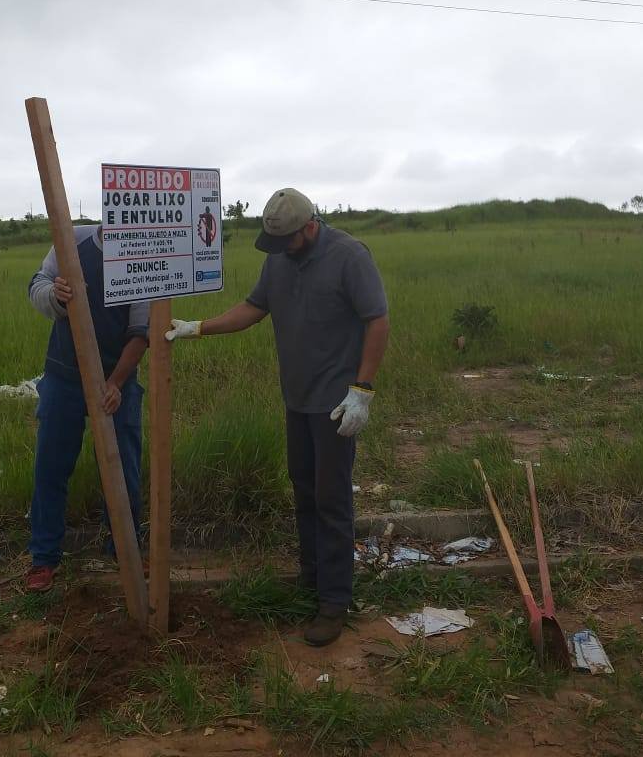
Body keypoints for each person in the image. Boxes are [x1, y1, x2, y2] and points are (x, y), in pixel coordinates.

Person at [167, 188, 389, 646]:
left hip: (335, 403)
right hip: (297, 399)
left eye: (287, 240)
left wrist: (362, 389)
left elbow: (377, 320)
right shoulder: (280, 260)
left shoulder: (349, 256)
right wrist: (199, 328)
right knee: (304, 490)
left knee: (332, 499)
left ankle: (334, 601)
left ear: (309, 228)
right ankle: (311, 578)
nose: (281, 250)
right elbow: (254, 308)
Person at [25, 223, 150, 593]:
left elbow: (140, 332)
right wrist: (55, 294)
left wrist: (116, 383)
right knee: (51, 467)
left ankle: (125, 549)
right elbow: (37, 284)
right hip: (64, 378)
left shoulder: (145, 252)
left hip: (116, 381)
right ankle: (44, 558)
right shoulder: (72, 241)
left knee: (124, 468)